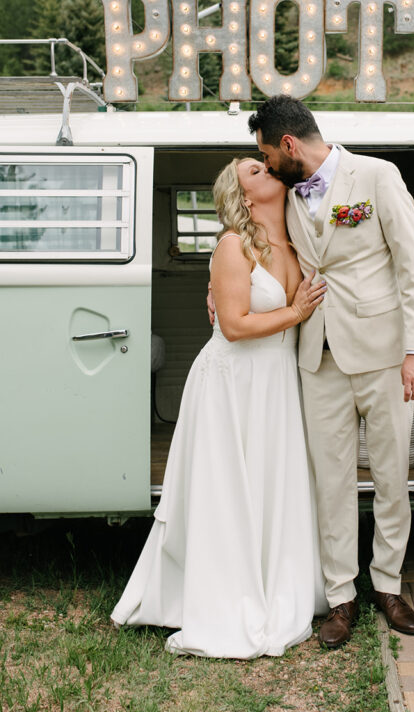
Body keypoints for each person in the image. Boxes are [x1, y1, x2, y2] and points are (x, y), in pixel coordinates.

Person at [111, 157, 327, 658]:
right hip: (233, 381)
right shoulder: (234, 245)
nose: (268, 167)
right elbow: (233, 325)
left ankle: (279, 582)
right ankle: (224, 596)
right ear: (244, 196)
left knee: (272, 481)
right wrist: (294, 311)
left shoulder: (300, 239)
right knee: (230, 487)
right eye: (254, 169)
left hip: (277, 379)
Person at [247, 95, 414, 649]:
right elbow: (255, 233)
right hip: (317, 358)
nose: (265, 163)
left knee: (391, 476)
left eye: (266, 152)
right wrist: (220, 282)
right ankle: (341, 597)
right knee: (329, 483)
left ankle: (388, 585)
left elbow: (413, 262)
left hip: (382, 355)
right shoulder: (283, 192)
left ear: (288, 145)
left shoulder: (377, 176)